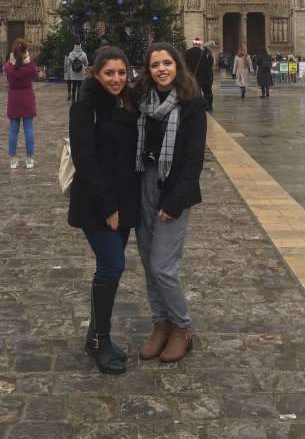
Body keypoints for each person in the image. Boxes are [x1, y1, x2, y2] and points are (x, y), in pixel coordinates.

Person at [68, 46, 140, 375]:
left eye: (122, 73)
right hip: (98, 203)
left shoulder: (127, 103)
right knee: (112, 266)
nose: (116, 79)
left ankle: (94, 336)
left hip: (123, 201)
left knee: (108, 268)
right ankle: (101, 340)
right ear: (96, 74)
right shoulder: (85, 107)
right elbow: (85, 160)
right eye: (109, 73)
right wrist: (108, 205)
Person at [134, 42, 206, 363]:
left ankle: (181, 326)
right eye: (154, 65)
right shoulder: (142, 103)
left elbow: (193, 161)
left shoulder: (191, 105)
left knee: (163, 265)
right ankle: (159, 323)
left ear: (177, 66)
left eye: (166, 63)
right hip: (143, 186)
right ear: (148, 70)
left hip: (173, 189)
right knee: (150, 263)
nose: (161, 69)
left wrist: (175, 201)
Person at [5, 38, 38, 170]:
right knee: (29, 130)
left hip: (14, 98)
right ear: (26, 52)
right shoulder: (30, 67)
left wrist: (13, 61)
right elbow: (35, 75)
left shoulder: (8, 67)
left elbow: (9, 71)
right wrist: (28, 60)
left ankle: (13, 159)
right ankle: (29, 159)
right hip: (27, 98)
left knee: (13, 131)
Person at [184, 38, 214, 112]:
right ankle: (209, 106)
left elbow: (184, 64)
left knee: (197, 91)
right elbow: (211, 62)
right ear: (200, 44)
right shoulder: (206, 52)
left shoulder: (188, 52)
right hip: (206, 76)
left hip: (194, 76)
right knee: (207, 91)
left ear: (193, 44)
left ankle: (199, 105)